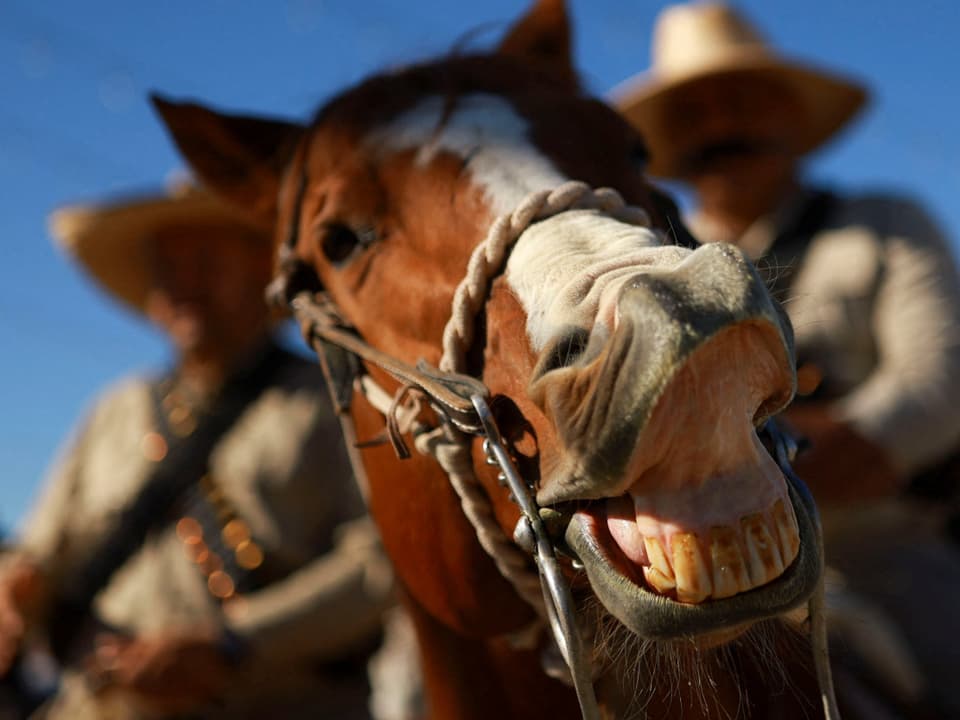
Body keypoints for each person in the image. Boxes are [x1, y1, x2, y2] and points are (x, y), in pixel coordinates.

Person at [612, 2, 960, 714]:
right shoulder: (643, 270)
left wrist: (766, 466)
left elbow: (940, 383)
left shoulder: (885, 224)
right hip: (684, 577)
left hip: (875, 551)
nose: (717, 127)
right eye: (692, 112)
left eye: (738, 103)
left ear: (788, 118)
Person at [0, 183, 395, 719]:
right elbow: (41, 548)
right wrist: (19, 586)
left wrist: (235, 642)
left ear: (263, 269)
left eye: (204, 262)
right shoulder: (116, 409)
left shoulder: (335, 402)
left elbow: (379, 564)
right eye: (166, 266)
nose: (180, 284)